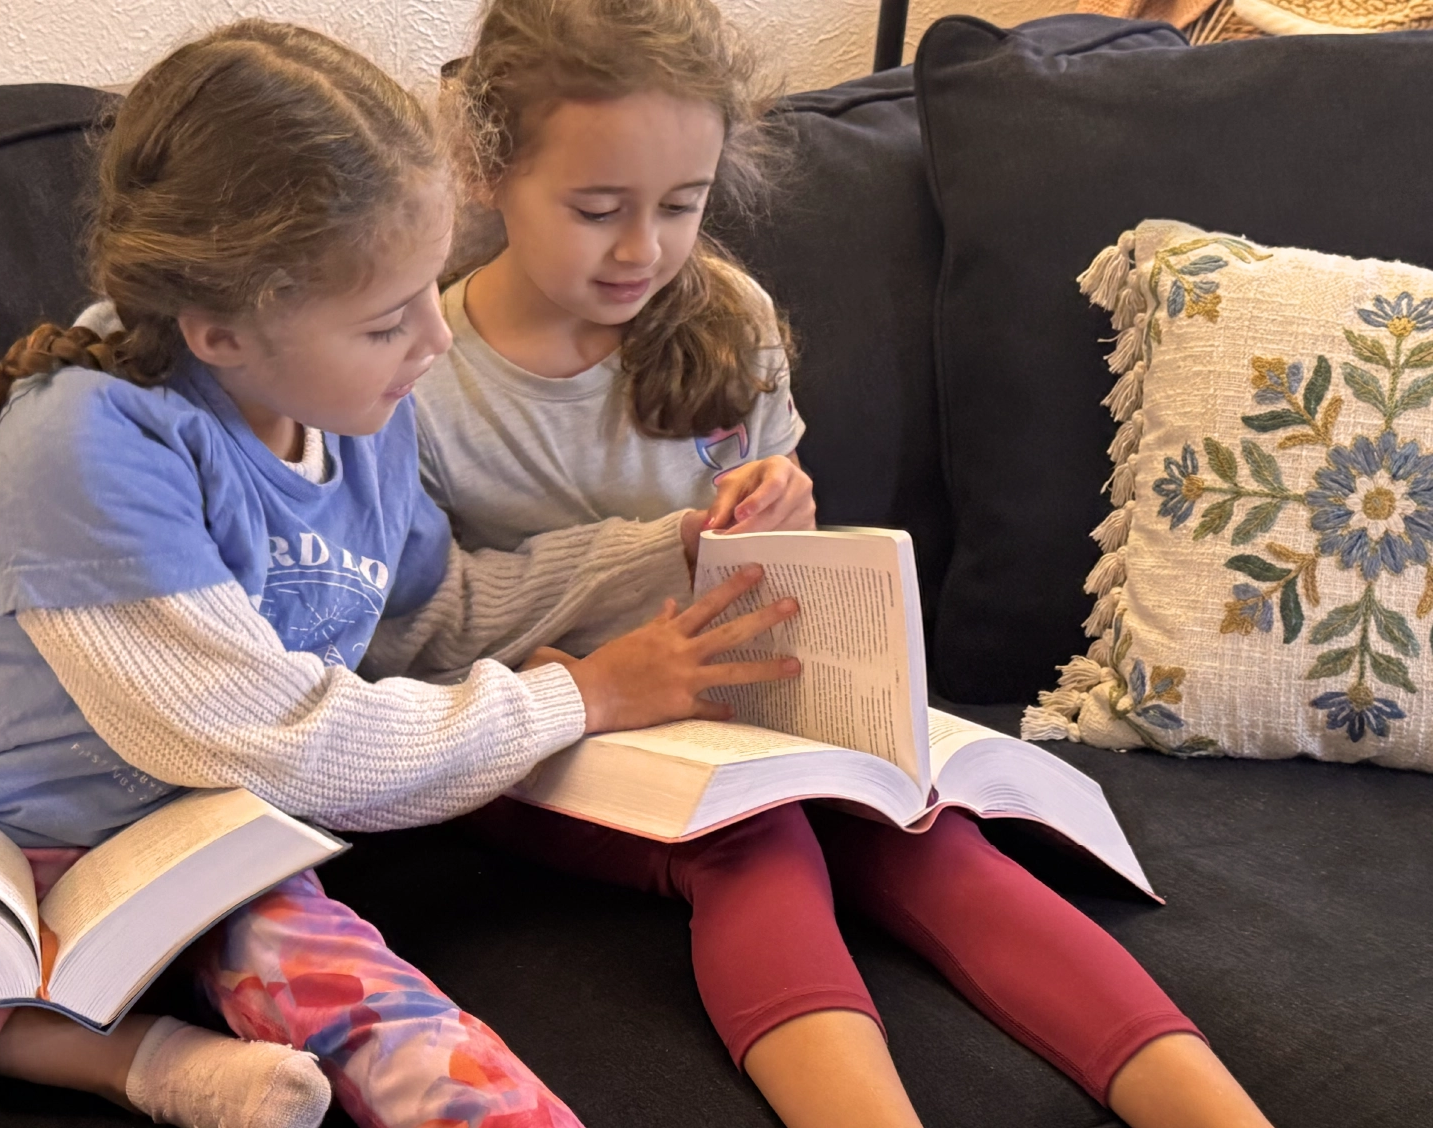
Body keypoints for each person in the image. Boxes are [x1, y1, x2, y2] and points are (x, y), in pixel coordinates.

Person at [0, 20, 798, 1128]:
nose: (433, 340)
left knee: (417, 1044)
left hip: (212, 854)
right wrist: (585, 697)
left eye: (426, 292)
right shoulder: (84, 438)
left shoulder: (364, 410)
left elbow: (427, 617)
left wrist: (660, 559)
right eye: (386, 318)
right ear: (221, 331)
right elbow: (271, 741)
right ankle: (123, 1061)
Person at [425, 2, 1275, 1125]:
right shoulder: (424, 379)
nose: (642, 249)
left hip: (745, 702)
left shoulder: (724, 314)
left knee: (927, 832)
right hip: (548, 726)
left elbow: (773, 527)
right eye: (595, 211)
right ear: (489, 174)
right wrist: (656, 557)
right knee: (755, 839)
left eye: (681, 205)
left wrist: (784, 506)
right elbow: (419, 625)